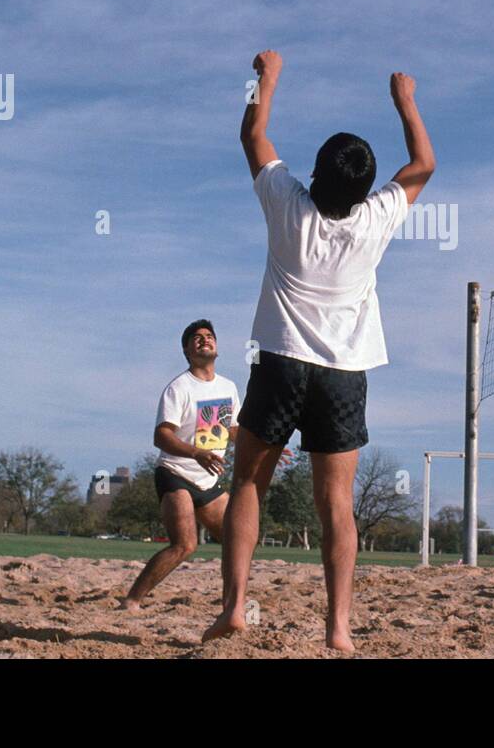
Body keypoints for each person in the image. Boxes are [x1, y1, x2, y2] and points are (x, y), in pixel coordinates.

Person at [204, 51, 435, 653]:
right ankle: (338, 629)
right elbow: (423, 164)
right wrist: (405, 100)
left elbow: (252, 132)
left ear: (314, 172)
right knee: (335, 503)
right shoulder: (378, 217)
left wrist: (267, 75)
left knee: (248, 484)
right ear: (365, 187)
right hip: (343, 372)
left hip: (279, 363)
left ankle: (234, 609)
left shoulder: (286, 201)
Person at [122, 321, 237, 611]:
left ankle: (231, 605)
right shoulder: (179, 388)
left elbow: (232, 430)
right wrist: (196, 452)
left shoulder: (228, 387)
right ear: (186, 350)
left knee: (239, 540)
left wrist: (266, 447)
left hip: (208, 481)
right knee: (185, 545)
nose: (204, 341)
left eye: (209, 336)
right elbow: (161, 436)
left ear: (217, 346)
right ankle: (132, 600)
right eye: (196, 338)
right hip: (175, 474)